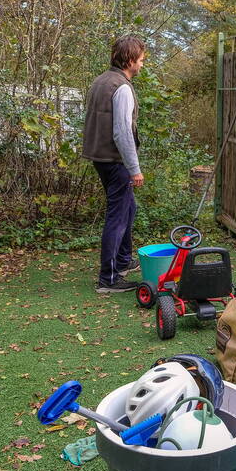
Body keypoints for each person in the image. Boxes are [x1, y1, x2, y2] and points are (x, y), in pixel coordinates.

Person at [81, 35, 146, 292]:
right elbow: (122, 132)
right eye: (140, 60)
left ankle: (123, 261)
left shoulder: (100, 81)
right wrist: (135, 169)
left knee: (129, 208)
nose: (142, 65)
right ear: (129, 60)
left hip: (100, 157)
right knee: (117, 217)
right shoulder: (121, 87)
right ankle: (108, 279)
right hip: (114, 160)